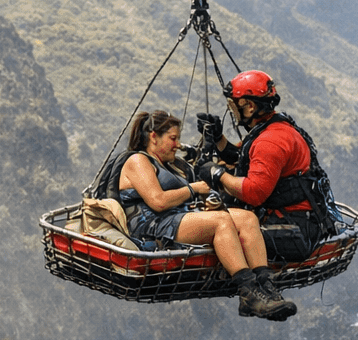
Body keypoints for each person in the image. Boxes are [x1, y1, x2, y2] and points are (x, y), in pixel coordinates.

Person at [109, 111, 296, 320]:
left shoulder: (169, 165)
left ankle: (266, 285)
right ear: (153, 137)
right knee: (221, 222)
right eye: (173, 138)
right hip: (154, 225)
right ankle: (248, 292)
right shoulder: (138, 161)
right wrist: (193, 189)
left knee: (246, 218)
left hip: (177, 218)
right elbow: (158, 201)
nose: (177, 145)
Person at [195, 71, 334, 265]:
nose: (231, 111)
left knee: (217, 231)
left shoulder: (270, 141)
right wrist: (218, 138)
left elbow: (254, 193)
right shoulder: (276, 128)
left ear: (249, 106)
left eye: (232, 106)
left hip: (292, 229)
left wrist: (218, 175)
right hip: (301, 221)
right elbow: (245, 159)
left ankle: (252, 282)